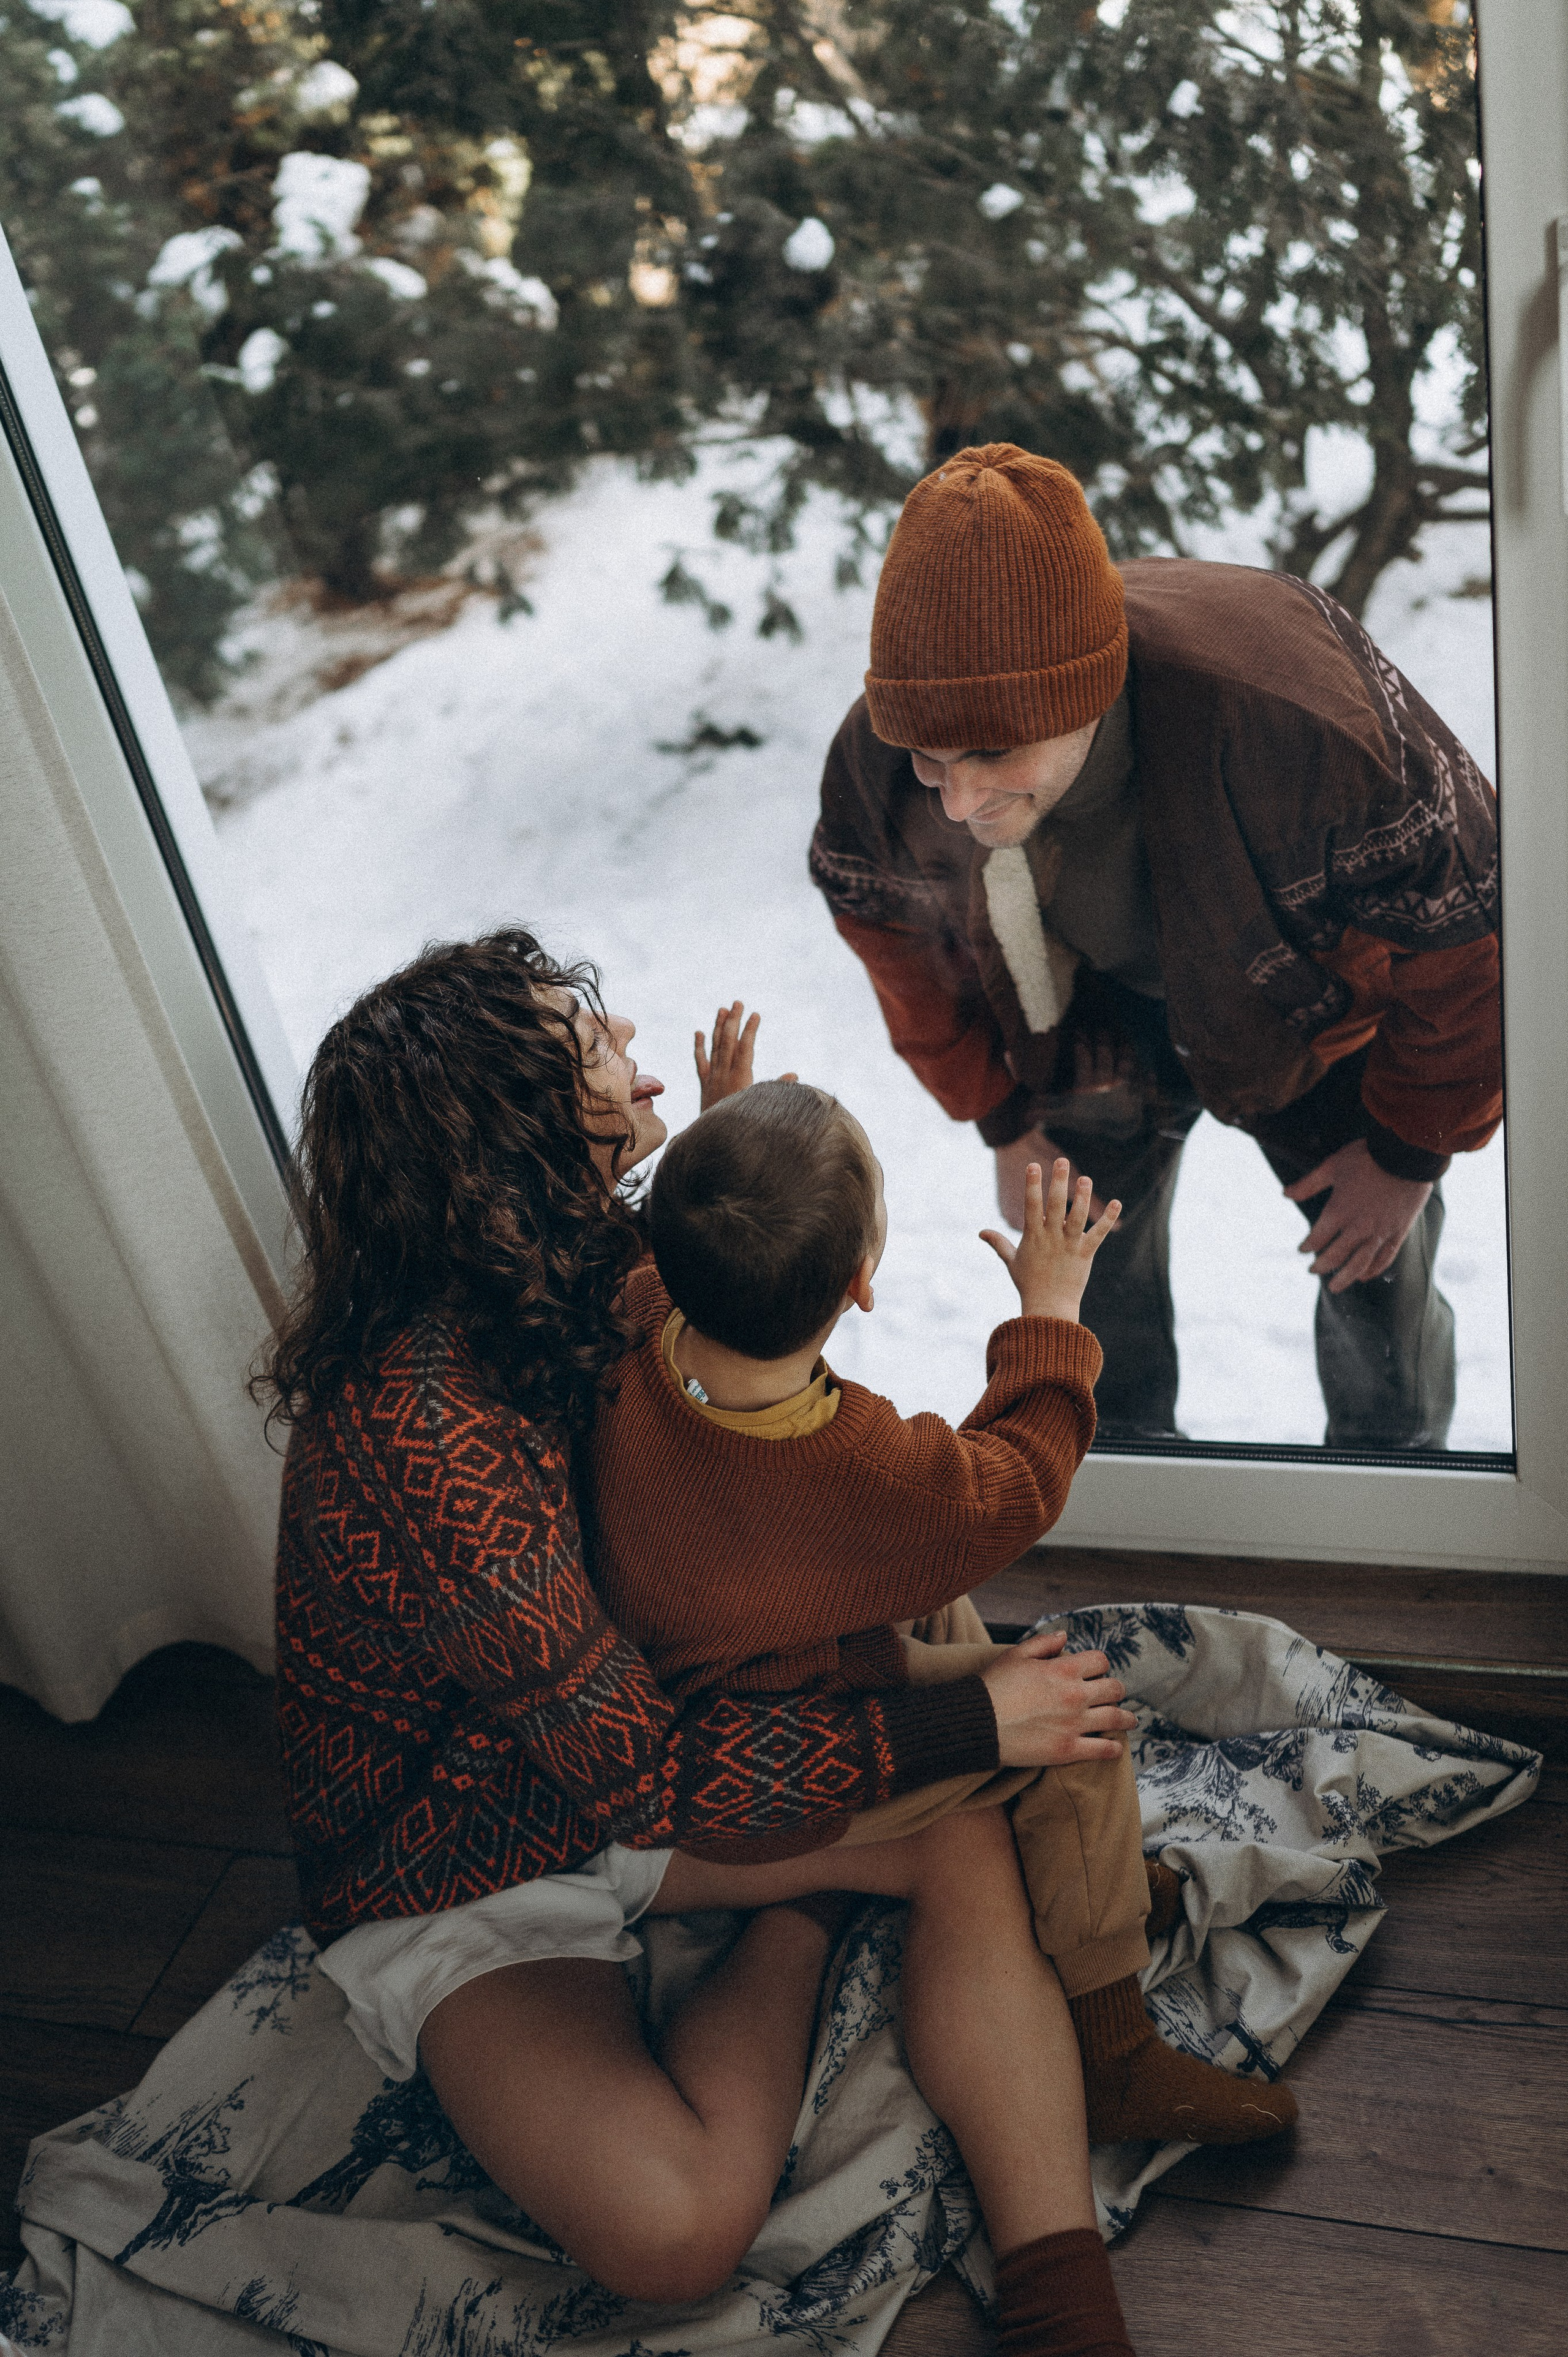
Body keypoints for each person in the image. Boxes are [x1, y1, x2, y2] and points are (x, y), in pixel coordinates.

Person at [260, 929, 1148, 2357]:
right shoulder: (425, 1440)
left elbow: (752, 1365)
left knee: (963, 1828)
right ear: (508, 1147)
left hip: (648, 1724)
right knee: (673, 2232)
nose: (629, 1046)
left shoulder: (573, 1250)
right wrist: (962, 1722)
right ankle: (798, 1915)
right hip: (462, 1854)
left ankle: (1065, 2300)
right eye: (589, 1047)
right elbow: (646, 1781)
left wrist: (730, 1148)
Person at [590, 1068, 1297, 2148]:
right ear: (861, 1286)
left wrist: (720, 1146)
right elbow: (1017, 1483)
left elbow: (668, 1254)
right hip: (778, 1750)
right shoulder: (866, 1472)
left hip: (691, 1666)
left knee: (940, 1601)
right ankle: (1112, 2050)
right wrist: (1050, 1311)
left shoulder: (636, 1322)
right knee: (1080, 1722)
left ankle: (1095, 1880)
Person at [809, 443, 1502, 1447]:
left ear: (1088, 693)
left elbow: (1474, 937)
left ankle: (1393, 1478)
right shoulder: (877, 759)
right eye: (930, 758)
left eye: (994, 753)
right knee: (1086, 1286)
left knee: (1380, 1291)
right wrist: (1002, 1113)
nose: (957, 801)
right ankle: (1125, 1472)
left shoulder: (1302, 721)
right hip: (1093, 1029)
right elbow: (887, 932)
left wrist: (1407, 1150)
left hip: (1316, 1011)